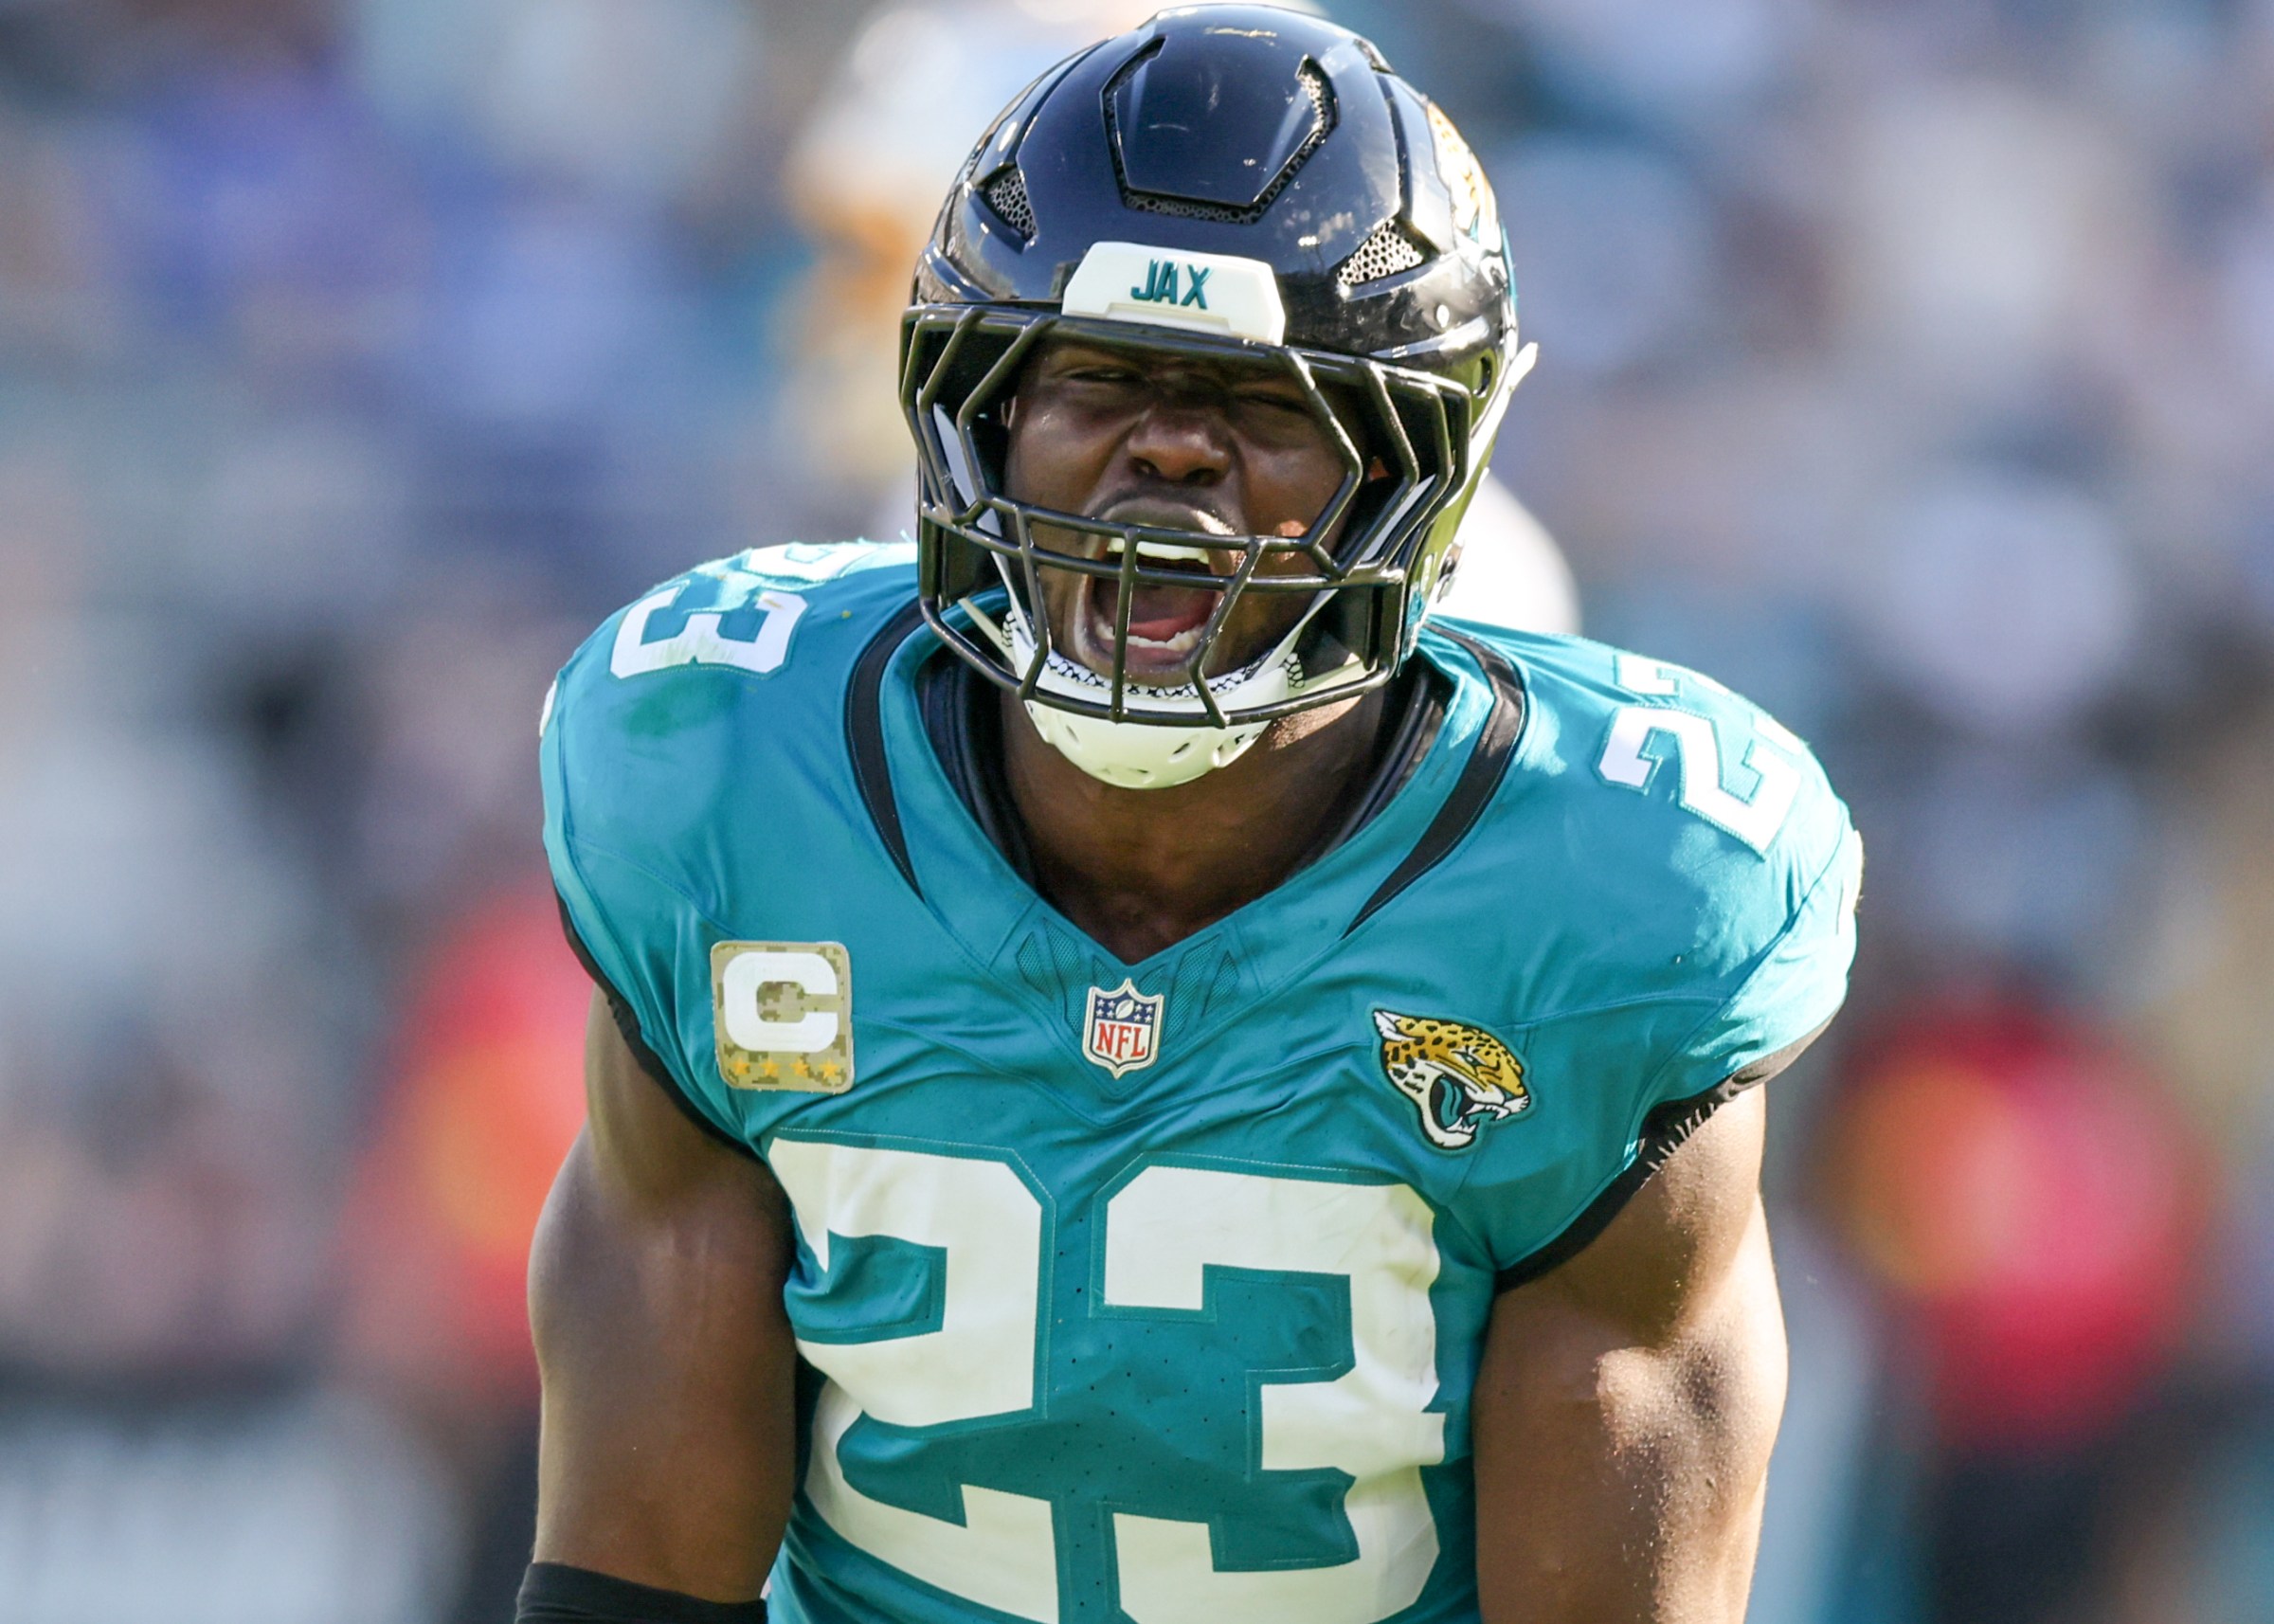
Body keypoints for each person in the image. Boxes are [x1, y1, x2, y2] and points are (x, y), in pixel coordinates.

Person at [523, 9, 1862, 1623]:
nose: (1168, 453)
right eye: (1100, 376)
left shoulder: (1618, 890)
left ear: (1416, 465)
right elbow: (632, 1578)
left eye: (1266, 404)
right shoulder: (730, 768)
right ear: (977, 398)